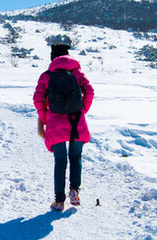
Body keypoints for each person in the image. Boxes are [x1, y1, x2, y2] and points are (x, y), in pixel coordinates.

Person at [33, 44, 94, 212]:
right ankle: (74, 191)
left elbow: (38, 99)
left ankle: (59, 200)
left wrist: (46, 119)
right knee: (76, 157)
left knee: (60, 161)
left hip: (55, 123)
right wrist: (82, 110)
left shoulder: (46, 76)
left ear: (53, 58)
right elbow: (90, 92)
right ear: (68, 56)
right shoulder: (77, 73)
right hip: (77, 122)